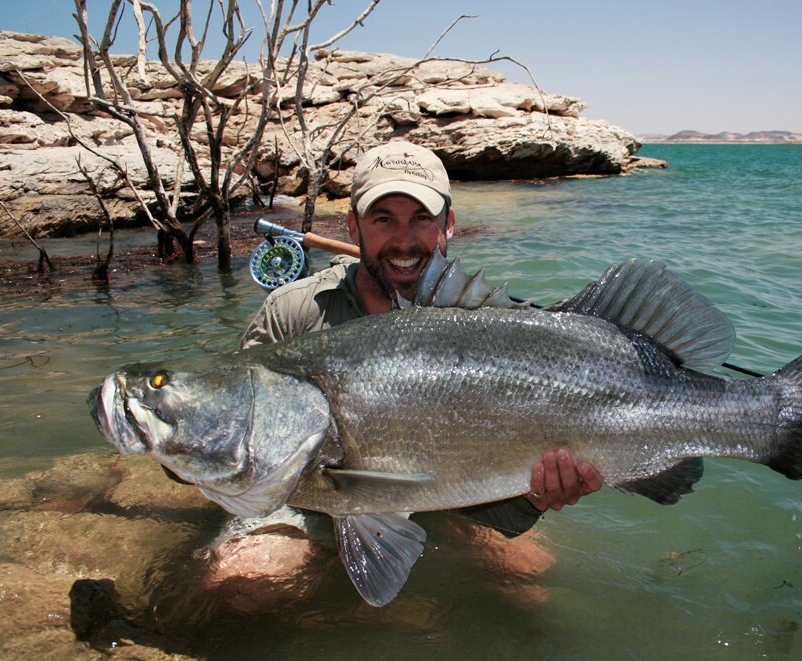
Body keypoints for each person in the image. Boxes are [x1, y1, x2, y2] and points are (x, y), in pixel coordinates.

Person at [240, 140, 603, 537]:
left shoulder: (490, 322)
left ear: (448, 223)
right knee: (249, 574)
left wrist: (535, 496)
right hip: (311, 510)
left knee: (528, 577)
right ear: (352, 225)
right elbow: (238, 444)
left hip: (454, 504)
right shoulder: (290, 313)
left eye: (421, 218)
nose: (404, 241)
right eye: (383, 219)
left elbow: (492, 500)